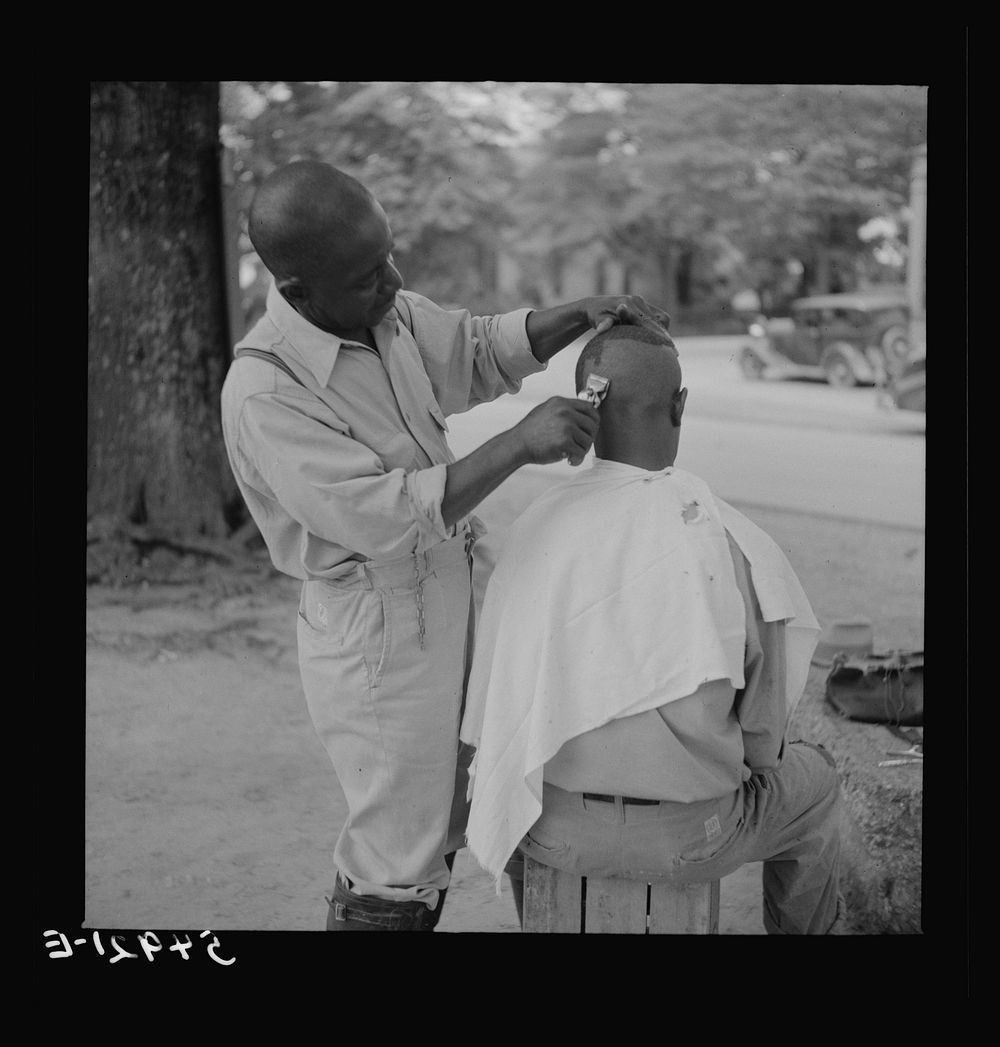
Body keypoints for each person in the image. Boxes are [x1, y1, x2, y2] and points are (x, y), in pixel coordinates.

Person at [219, 160, 672, 932]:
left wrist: (578, 315)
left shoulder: (381, 313)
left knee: (472, 799)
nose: (393, 283)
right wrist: (518, 445)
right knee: (399, 851)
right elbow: (385, 515)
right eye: (369, 275)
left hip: (453, 590)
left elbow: (474, 348)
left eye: (390, 256)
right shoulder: (266, 392)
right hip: (378, 635)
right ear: (298, 292)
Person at [460, 323, 844, 935]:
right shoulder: (731, 542)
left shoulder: (530, 531)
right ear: (680, 405)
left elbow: (498, 711)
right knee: (817, 785)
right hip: (693, 836)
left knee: (508, 780)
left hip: (552, 833)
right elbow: (763, 744)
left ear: (585, 405)